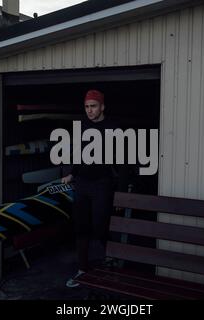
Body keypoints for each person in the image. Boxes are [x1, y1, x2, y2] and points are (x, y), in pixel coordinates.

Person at [62, 89, 126, 288]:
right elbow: (79, 155)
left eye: (94, 106)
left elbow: (122, 163)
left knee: (101, 227)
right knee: (81, 227)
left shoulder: (114, 129)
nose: (90, 110)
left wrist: (123, 191)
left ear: (102, 107)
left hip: (102, 184)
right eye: (87, 107)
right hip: (82, 184)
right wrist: (72, 173)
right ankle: (82, 269)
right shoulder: (82, 127)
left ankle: (112, 266)